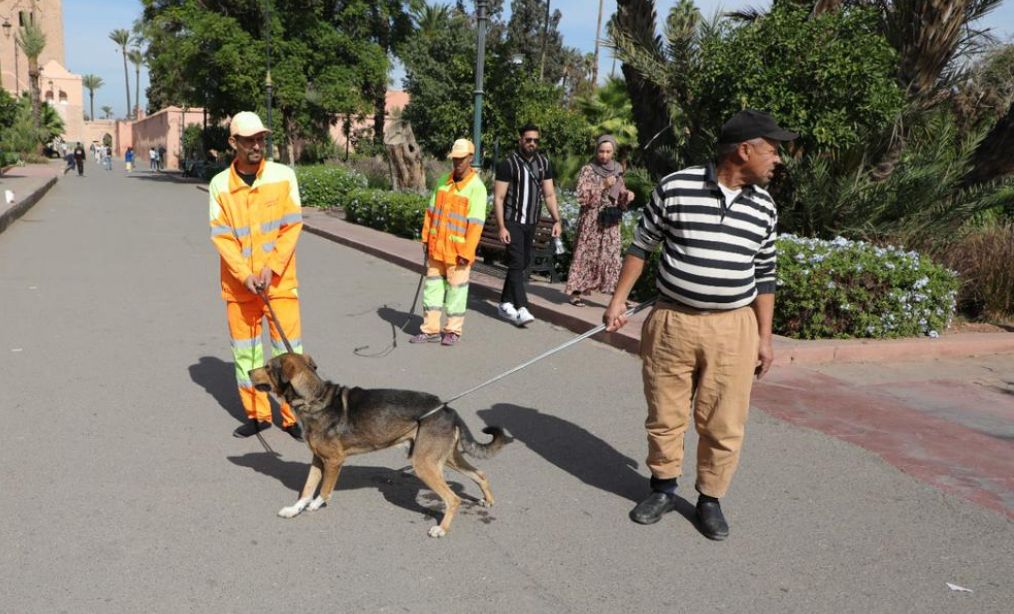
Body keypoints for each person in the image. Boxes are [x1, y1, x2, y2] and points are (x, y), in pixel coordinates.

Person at [603, 109, 796, 541]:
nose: (777, 159)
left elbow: (765, 273)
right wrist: (617, 301)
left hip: (734, 328)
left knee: (724, 420)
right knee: (665, 413)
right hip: (673, 322)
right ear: (744, 150)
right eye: (772, 149)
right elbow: (641, 246)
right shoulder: (676, 187)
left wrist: (765, 338)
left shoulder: (764, 206)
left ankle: (710, 499)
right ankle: (663, 489)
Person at [208, 111, 306, 440]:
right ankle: (258, 414)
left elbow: (291, 225)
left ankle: (293, 417)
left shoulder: (283, 176)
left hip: (279, 284)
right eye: (249, 140)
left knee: (288, 354)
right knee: (246, 353)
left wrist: (271, 267)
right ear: (233, 142)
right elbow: (222, 236)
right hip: (241, 288)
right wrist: (244, 274)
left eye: (260, 139)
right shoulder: (220, 185)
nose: (256, 145)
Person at [410, 138, 487, 347]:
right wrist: (426, 238)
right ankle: (430, 329)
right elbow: (431, 212)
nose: (457, 162)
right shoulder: (443, 182)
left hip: (458, 253)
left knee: (456, 292)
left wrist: (467, 252)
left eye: (461, 159)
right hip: (437, 248)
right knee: (432, 290)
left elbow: (476, 225)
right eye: (455, 159)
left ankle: (452, 330)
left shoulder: (476, 188)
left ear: (470, 158)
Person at [493, 123, 562, 327]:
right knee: (516, 262)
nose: (532, 143)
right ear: (520, 140)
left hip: (531, 222)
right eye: (528, 139)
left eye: (536, 140)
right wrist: (501, 227)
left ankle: (505, 303)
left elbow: (549, 194)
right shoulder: (508, 164)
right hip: (512, 221)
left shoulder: (543, 163)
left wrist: (557, 220)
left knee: (522, 263)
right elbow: (498, 198)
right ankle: (522, 307)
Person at [565, 135, 635, 306]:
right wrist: (602, 185)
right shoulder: (588, 170)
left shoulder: (617, 169)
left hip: (610, 220)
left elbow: (620, 193)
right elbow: (582, 196)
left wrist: (627, 195)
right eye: (601, 151)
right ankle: (576, 292)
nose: (604, 155)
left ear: (613, 152)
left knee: (612, 258)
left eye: (608, 152)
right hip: (591, 220)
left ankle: (617, 297)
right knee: (585, 255)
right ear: (596, 151)